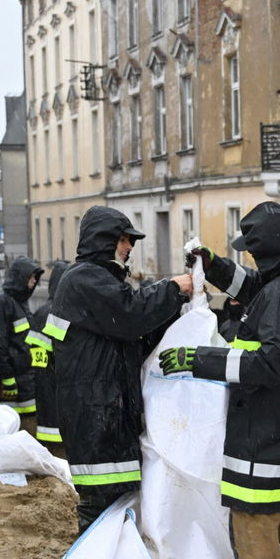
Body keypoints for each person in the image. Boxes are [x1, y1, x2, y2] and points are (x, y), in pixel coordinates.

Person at [160, 201, 280, 559]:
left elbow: (272, 363)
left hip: (262, 449)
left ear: (268, 249)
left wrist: (197, 359)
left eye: (254, 252)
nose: (251, 258)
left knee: (260, 558)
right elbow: (261, 291)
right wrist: (214, 265)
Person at [42, 206, 191, 530]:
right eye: (124, 240)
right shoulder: (86, 279)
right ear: (104, 240)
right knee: (101, 506)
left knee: (115, 505)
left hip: (104, 413)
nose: (129, 248)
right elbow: (131, 314)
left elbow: (132, 333)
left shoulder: (93, 281)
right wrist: (173, 288)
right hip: (96, 417)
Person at [0, 256, 44, 432]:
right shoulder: (1, 302)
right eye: (31, 277)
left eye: (35, 277)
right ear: (20, 277)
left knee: (29, 426)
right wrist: (7, 377)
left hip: (26, 378)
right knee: (19, 429)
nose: (34, 281)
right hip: (14, 381)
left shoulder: (20, 301)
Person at [27, 259, 71, 456]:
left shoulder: (44, 312)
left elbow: (38, 360)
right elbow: (40, 358)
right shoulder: (52, 312)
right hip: (56, 387)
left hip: (50, 388)